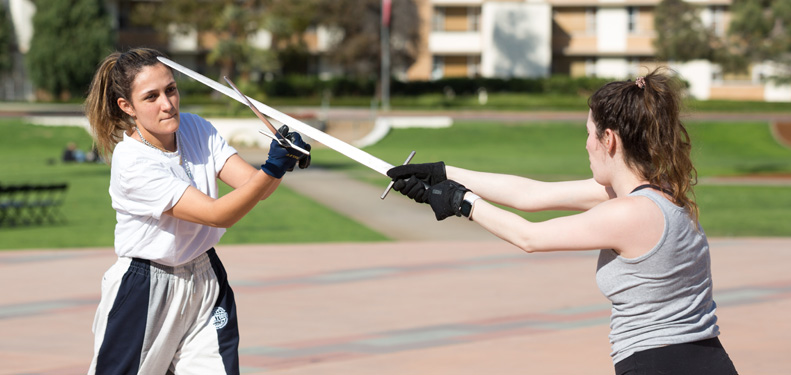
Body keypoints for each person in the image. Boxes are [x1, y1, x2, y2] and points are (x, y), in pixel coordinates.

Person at [387, 68, 737, 375]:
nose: (586, 145)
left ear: (610, 139)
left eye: (589, 133)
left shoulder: (629, 213)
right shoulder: (655, 194)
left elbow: (529, 237)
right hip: (698, 360)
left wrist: (460, 202)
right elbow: (531, 195)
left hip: (662, 366)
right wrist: (444, 173)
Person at [84, 47, 310, 374]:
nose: (167, 103)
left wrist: (281, 162)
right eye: (151, 97)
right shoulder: (131, 162)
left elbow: (253, 188)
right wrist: (272, 169)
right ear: (127, 106)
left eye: (171, 90)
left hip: (206, 279)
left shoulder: (195, 128)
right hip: (147, 286)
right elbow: (218, 214)